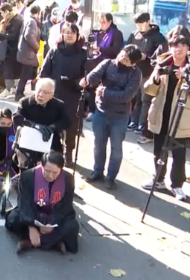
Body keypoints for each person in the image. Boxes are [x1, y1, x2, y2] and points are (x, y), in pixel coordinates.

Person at [81, 45, 143, 189]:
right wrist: (88, 80)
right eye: (122, 54)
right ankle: (97, 171)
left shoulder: (136, 74)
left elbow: (127, 96)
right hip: (101, 112)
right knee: (99, 145)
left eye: (126, 59)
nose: (122, 59)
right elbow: (95, 75)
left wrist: (105, 92)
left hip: (120, 116)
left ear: (133, 63)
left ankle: (111, 177)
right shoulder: (108, 63)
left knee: (116, 149)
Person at [141, 35, 189, 200]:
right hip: (161, 114)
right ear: (170, 47)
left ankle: (177, 185)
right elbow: (148, 90)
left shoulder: (188, 68)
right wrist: (154, 80)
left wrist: (185, 77)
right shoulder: (162, 63)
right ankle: (159, 180)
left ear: (188, 48)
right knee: (158, 151)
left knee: (179, 155)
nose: (179, 48)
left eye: (183, 45)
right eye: (175, 45)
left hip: (181, 117)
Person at [5, 151, 79, 255]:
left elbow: (66, 205)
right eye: (47, 171)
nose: (50, 176)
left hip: (54, 214)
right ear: (41, 165)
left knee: (72, 225)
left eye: (55, 172)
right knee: (13, 219)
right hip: (34, 212)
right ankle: (54, 242)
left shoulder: (68, 179)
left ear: (61, 169)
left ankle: (31, 242)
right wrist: (31, 226)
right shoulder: (28, 176)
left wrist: (51, 224)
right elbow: (24, 202)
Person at [39, 23, 87, 163]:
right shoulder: (55, 50)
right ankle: (53, 153)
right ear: (62, 34)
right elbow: (44, 72)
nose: (69, 35)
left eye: (72, 33)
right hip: (54, 94)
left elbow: (86, 75)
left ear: (77, 35)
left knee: (71, 127)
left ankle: (69, 152)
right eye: (66, 32)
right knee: (54, 125)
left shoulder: (82, 53)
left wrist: (75, 82)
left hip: (73, 95)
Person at [126, 12, 167, 142]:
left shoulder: (157, 37)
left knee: (145, 99)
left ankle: (142, 124)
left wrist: (147, 57)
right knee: (134, 98)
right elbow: (127, 48)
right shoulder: (134, 34)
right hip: (133, 70)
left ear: (148, 21)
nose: (139, 26)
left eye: (141, 23)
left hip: (148, 72)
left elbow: (161, 55)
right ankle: (133, 121)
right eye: (137, 24)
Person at [13, 78, 70, 155]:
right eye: (39, 90)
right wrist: (34, 125)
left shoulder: (58, 105)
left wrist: (53, 127)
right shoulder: (25, 102)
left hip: (50, 141)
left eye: (45, 92)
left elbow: (67, 121)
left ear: (51, 95)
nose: (40, 95)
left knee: (53, 162)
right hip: (28, 141)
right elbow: (16, 118)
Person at [15, 5, 42, 101]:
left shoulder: (27, 19)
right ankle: (19, 93)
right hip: (28, 53)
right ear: (38, 13)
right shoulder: (32, 22)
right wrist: (37, 47)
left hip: (24, 52)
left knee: (26, 74)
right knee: (26, 74)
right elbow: (28, 36)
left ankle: (21, 92)